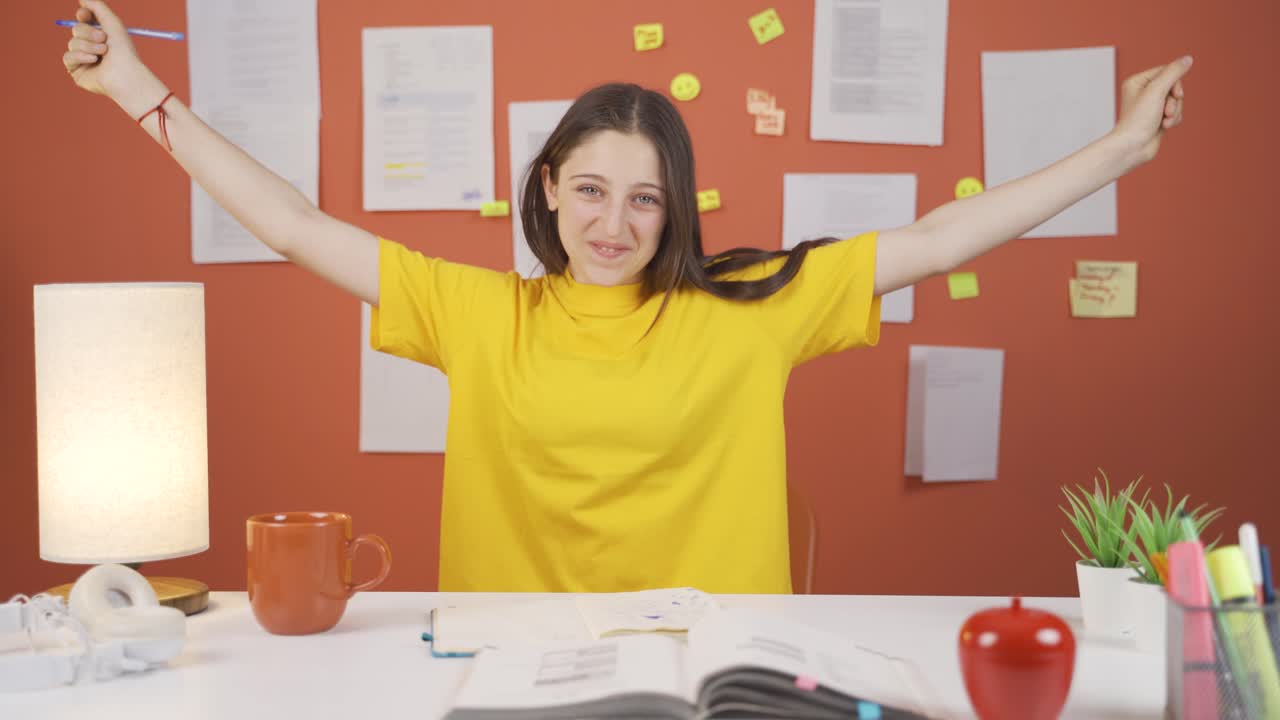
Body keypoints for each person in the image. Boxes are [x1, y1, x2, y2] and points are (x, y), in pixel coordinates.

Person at [63, 0, 1189, 594]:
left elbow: (943, 232)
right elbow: (297, 224)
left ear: (678, 209)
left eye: (645, 201)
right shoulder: (478, 313)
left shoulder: (756, 301)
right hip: (507, 677)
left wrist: (1120, 152)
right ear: (546, 188)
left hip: (712, 674)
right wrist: (136, 89)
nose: (612, 225)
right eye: (590, 190)